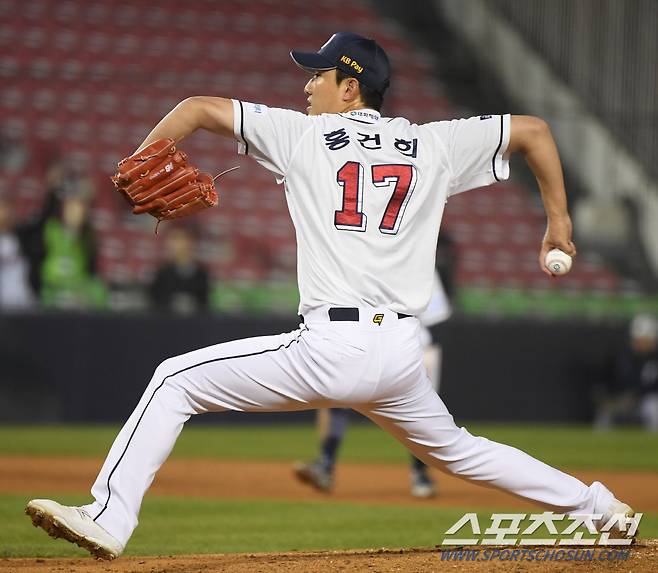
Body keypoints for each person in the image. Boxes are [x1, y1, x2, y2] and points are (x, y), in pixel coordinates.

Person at [26, 32, 633, 560]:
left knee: (173, 381)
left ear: (352, 88)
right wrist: (558, 225)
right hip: (400, 353)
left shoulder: (303, 137)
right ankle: (599, 507)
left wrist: (138, 159)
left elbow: (197, 108)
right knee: (460, 454)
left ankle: (108, 519)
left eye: (320, 73)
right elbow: (533, 131)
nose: (308, 84)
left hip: (330, 347)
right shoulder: (433, 144)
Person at [294, 268, 452, 498]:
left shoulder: (417, 260)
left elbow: (436, 316)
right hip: (369, 339)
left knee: (417, 414)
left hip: (410, 344)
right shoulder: (362, 261)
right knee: (335, 399)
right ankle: (326, 464)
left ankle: (420, 472)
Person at [149, 226, 210, 314]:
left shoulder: (202, 274)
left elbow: (204, 304)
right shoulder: (162, 274)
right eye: (172, 240)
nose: (174, 244)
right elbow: (156, 302)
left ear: (190, 242)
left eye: (179, 239)